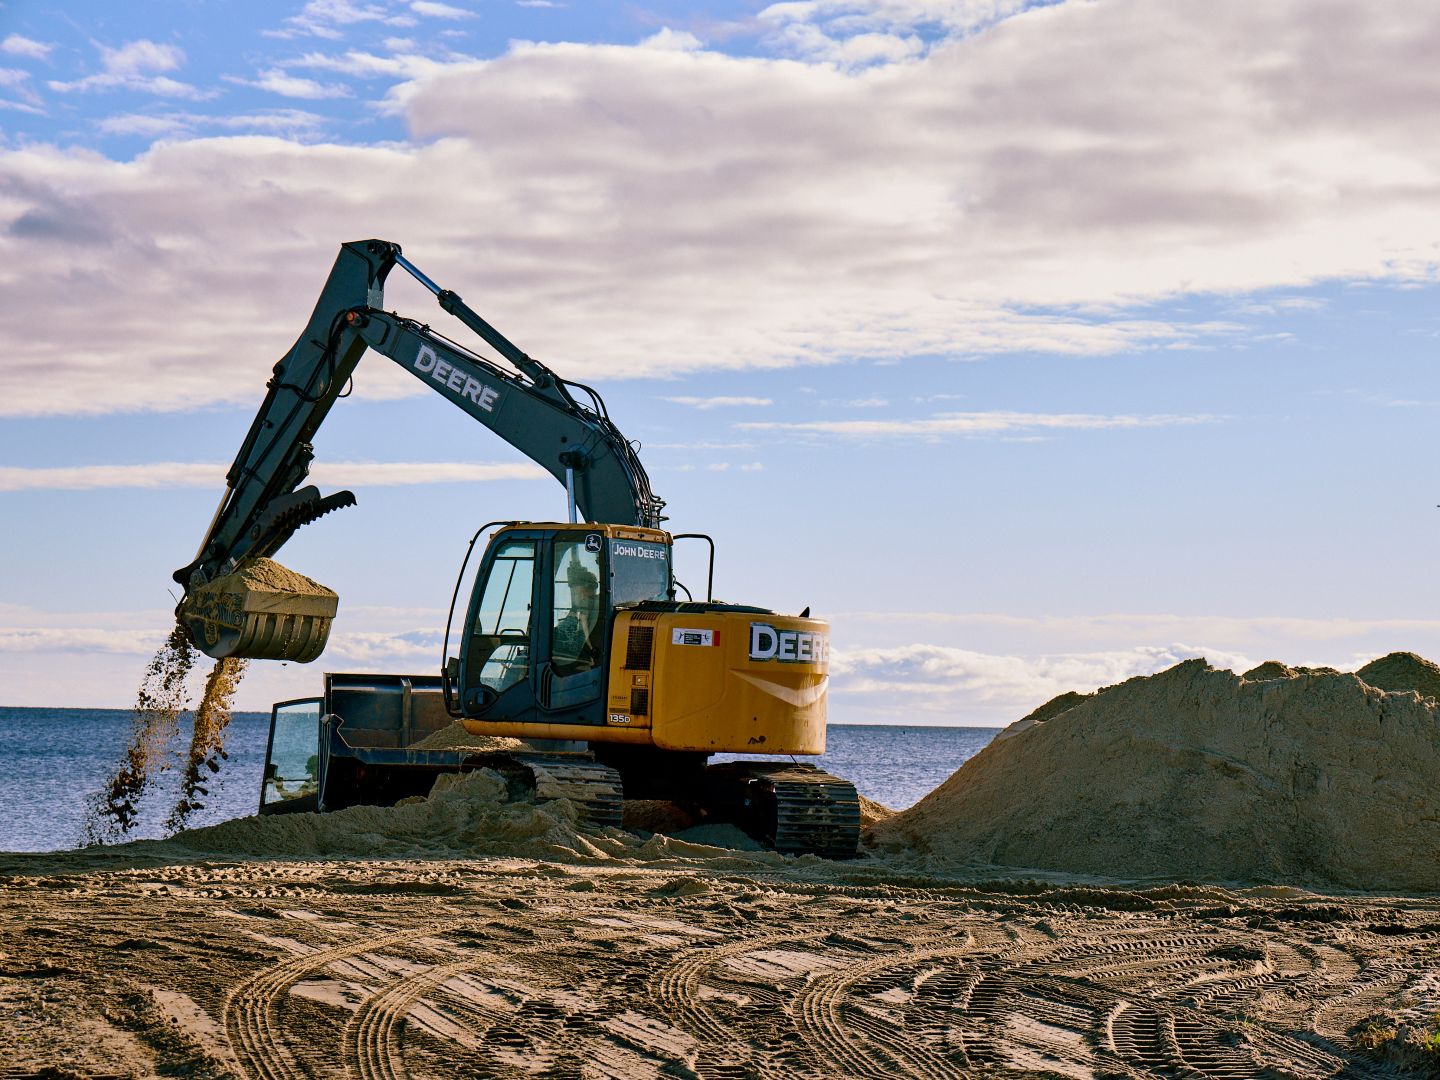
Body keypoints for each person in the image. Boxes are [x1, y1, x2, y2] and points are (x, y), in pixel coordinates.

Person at [552, 561, 602, 674]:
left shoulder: (586, 607)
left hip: (576, 662)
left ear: (582, 591)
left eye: (575, 591)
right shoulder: (595, 606)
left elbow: (572, 638)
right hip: (585, 658)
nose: (574, 595)